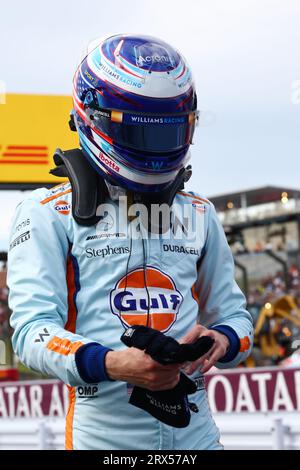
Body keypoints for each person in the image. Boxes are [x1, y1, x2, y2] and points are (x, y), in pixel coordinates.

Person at [8, 34, 253, 450]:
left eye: (169, 132)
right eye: (140, 133)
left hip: (199, 438)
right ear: (92, 116)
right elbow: (31, 332)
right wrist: (114, 364)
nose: (156, 152)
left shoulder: (198, 213)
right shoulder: (47, 212)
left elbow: (237, 317)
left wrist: (221, 341)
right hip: (100, 440)